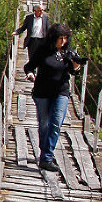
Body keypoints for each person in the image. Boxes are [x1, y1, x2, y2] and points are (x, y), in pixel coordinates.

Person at [23, 23, 83, 173]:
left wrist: (76, 66)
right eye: (60, 38)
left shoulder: (68, 52)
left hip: (61, 91)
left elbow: (73, 72)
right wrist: (30, 74)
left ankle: (47, 157)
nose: (63, 41)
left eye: (65, 38)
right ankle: (45, 153)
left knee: (56, 123)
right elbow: (29, 66)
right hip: (42, 91)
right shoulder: (43, 50)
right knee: (44, 124)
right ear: (53, 38)